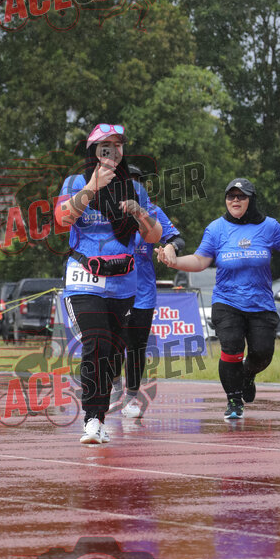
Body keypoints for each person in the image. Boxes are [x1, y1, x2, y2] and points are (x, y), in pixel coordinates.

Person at [158, 177, 280, 419]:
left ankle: (247, 374)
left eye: (241, 196)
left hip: (260, 302)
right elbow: (200, 260)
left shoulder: (268, 226)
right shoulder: (216, 228)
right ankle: (234, 400)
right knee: (231, 348)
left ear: (251, 200)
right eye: (231, 196)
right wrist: (174, 262)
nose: (235, 200)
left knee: (262, 353)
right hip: (227, 301)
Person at [54, 124, 162, 444]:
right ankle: (92, 419)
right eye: (106, 145)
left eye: (118, 145)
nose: (113, 150)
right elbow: (62, 219)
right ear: (93, 150)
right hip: (84, 278)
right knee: (97, 343)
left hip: (123, 283)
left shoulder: (134, 187)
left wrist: (139, 213)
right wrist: (92, 186)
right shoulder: (75, 182)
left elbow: (154, 236)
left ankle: (99, 417)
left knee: (112, 353)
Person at [109, 164, 185, 418]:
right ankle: (114, 388)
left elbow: (176, 238)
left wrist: (171, 248)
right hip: (113, 290)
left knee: (136, 346)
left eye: (136, 181)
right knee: (113, 345)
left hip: (142, 293)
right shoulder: (105, 211)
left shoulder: (152, 211)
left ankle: (131, 397)